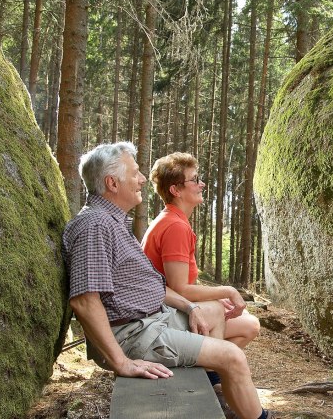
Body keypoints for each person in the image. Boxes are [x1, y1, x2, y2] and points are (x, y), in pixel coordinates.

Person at [62, 142, 273, 419]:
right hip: (134, 334)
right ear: (112, 183)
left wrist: (190, 307)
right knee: (233, 357)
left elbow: (152, 286)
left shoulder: (113, 222)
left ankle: (212, 391)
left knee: (211, 310)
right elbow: (85, 301)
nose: (141, 180)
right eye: (135, 173)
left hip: (152, 319)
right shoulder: (96, 226)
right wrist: (121, 362)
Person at [141, 152, 260, 351]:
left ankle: (210, 372)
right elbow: (180, 289)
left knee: (244, 319)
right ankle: (210, 373)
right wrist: (228, 291)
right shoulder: (174, 227)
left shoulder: (171, 220)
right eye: (195, 179)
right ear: (175, 190)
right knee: (249, 325)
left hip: (166, 307)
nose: (202, 184)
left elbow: (178, 284)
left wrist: (214, 295)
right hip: (162, 314)